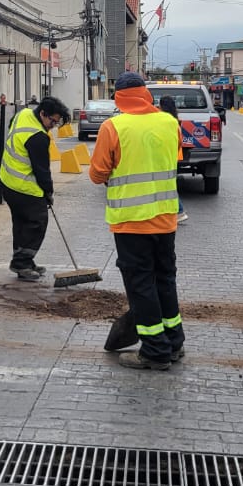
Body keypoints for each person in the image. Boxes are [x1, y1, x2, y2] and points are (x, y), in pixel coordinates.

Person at [90, 72, 184, 370]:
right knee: (165, 279)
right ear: (146, 94)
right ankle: (174, 342)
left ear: (117, 97)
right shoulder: (170, 123)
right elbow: (175, 158)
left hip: (131, 222)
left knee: (141, 284)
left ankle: (155, 351)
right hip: (166, 219)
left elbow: (97, 174)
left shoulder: (113, 126)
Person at [0, 96, 70, 282]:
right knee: (37, 223)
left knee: (21, 223)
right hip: (25, 188)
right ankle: (22, 262)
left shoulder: (22, 114)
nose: (53, 126)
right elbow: (42, 170)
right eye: (53, 121)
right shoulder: (38, 137)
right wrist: (48, 192)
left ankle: (22, 261)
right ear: (43, 114)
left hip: (7, 182)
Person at [158, 95, 187, 224]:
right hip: (173, 154)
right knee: (167, 183)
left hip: (165, 155)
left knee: (167, 184)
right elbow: (179, 140)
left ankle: (180, 211)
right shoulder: (174, 118)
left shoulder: (163, 119)